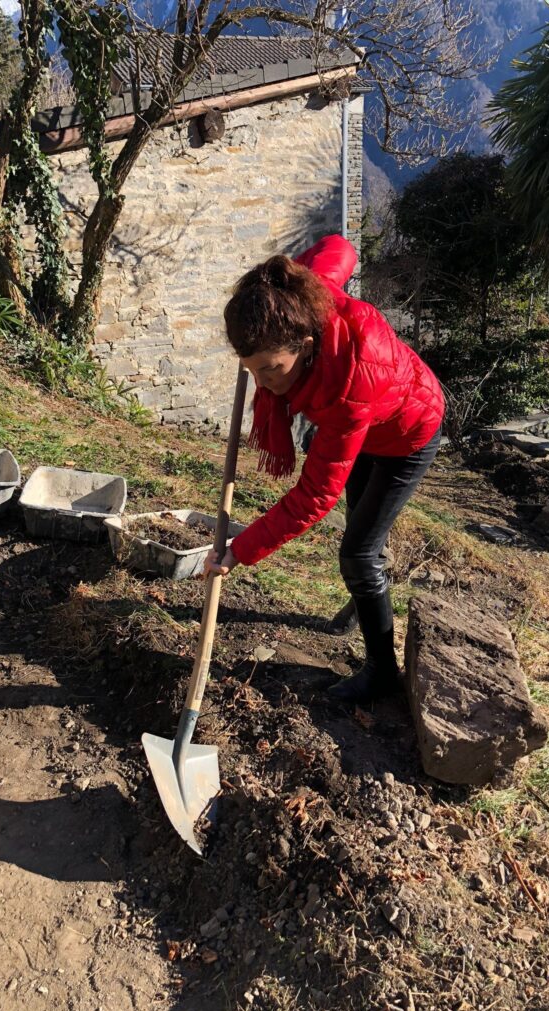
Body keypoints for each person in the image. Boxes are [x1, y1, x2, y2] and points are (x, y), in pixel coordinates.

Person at [204, 235, 444, 704]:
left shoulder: (348, 387)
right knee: (361, 532)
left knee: (358, 553)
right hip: (371, 427)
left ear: (307, 345)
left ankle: (382, 673)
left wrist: (240, 550)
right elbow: (339, 248)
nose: (262, 383)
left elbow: (314, 497)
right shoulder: (306, 300)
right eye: (251, 370)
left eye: (270, 369)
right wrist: (276, 287)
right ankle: (364, 601)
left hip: (409, 433)